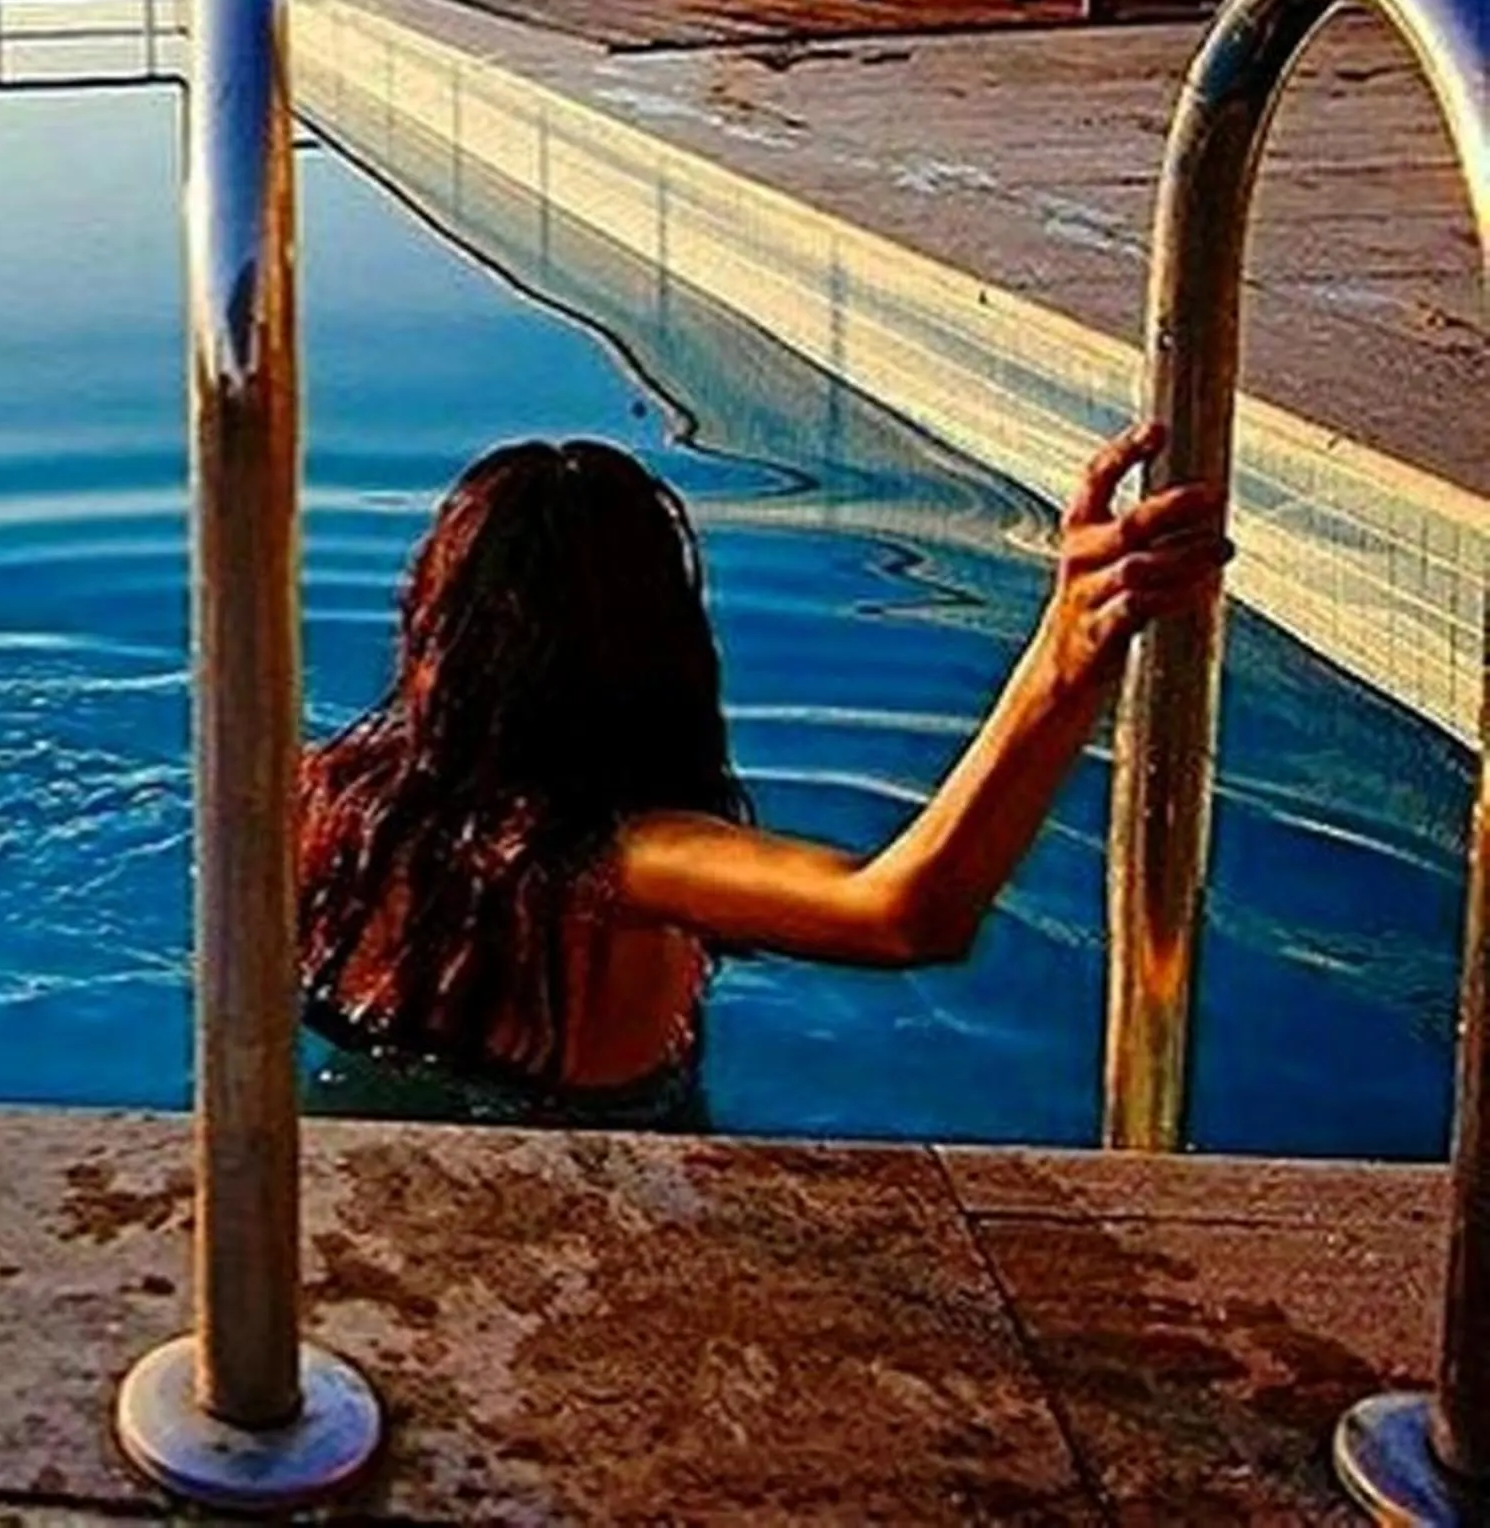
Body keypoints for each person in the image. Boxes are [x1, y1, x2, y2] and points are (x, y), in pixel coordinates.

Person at [296, 422, 1228, 1129]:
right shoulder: (619, 862)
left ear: (434, 626)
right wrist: (1062, 660)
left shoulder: (337, 799)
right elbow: (906, 913)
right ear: (666, 646)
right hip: (599, 1178)